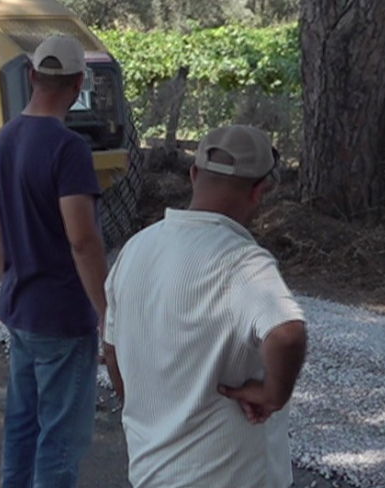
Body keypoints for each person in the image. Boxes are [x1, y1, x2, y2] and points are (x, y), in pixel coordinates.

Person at [103, 125, 307, 488]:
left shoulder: (135, 249)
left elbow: (113, 348)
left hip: (151, 474)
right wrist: (273, 394)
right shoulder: (243, 262)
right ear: (260, 191)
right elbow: (287, 334)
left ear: (194, 173)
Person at [0, 34, 108, 488]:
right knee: (59, 440)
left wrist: (10, 280)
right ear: (78, 84)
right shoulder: (69, 148)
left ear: (32, 76)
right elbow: (82, 240)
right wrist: (105, 309)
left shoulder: (3, 141)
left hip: (22, 307)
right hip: (62, 316)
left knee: (22, 425)